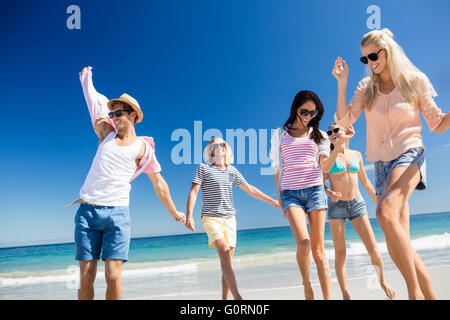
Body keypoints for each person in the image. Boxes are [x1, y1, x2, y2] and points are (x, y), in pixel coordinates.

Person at [332, 28, 449, 299]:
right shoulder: (366, 88)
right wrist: (342, 81)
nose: (370, 61)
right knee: (399, 240)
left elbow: (438, 125)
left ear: (388, 50)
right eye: (365, 59)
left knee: (384, 213)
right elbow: (343, 121)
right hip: (383, 166)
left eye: (374, 55)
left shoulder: (413, 81)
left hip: (410, 154)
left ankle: (414, 294)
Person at [67, 66, 186, 300]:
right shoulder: (105, 134)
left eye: (119, 113)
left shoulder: (144, 149)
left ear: (132, 114)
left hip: (118, 214)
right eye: (112, 115)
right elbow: (94, 104)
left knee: (113, 275)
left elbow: (159, 182)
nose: (113, 118)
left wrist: (173, 210)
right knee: (86, 276)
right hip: (87, 213)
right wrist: (86, 81)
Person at [269, 90, 342, 300]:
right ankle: (307, 283)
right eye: (304, 111)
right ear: (295, 108)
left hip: (315, 192)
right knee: (304, 243)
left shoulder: (319, 136)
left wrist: (337, 145)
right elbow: (276, 169)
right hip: (290, 194)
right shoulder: (280, 134)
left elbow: (325, 166)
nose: (308, 115)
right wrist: (280, 198)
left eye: (313, 112)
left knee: (319, 252)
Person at [185, 137, 279, 300]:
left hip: (230, 220)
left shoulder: (232, 172)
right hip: (211, 218)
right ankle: (238, 298)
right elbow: (193, 191)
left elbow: (249, 189)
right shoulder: (203, 168)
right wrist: (189, 216)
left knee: (227, 262)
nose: (220, 146)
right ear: (211, 151)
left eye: (223, 144)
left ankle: (225, 300)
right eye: (216, 144)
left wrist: (271, 201)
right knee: (225, 252)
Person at [324, 123, 396, 300]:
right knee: (341, 254)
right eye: (329, 132)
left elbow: (366, 182)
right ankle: (345, 294)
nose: (332, 133)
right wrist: (330, 192)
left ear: (344, 132)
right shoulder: (327, 157)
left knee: (373, 249)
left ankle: (382, 281)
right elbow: (321, 182)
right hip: (337, 206)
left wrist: (378, 201)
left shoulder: (356, 155)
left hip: (357, 203)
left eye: (336, 130)